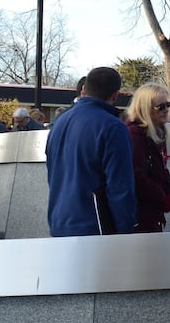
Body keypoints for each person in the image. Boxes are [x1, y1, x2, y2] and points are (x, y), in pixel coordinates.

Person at [45, 67, 136, 237]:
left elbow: (52, 172)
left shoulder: (60, 122)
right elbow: (120, 187)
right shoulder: (113, 127)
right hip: (94, 227)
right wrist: (126, 230)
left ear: (84, 89)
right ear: (115, 95)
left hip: (58, 221)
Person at [125, 83, 170, 233]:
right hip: (141, 216)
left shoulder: (156, 133)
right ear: (145, 109)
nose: (166, 110)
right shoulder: (135, 135)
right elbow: (137, 176)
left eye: (168, 104)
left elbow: (161, 168)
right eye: (160, 107)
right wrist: (162, 197)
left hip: (153, 213)